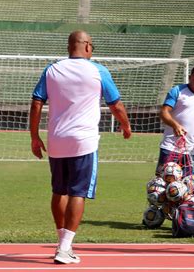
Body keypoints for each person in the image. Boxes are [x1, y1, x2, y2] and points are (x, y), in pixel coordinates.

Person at [29, 30, 131, 264]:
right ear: (86, 46)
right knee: (78, 192)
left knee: (59, 191)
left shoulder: (52, 69)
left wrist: (34, 137)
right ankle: (64, 248)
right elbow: (115, 105)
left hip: (56, 139)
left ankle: (62, 243)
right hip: (83, 141)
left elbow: (36, 103)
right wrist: (126, 126)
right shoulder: (98, 70)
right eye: (92, 45)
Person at [157, 64, 194, 175]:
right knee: (163, 183)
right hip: (170, 146)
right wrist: (175, 125)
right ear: (189, 77)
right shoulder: (177, 91)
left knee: (192, 186)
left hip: (191, 149)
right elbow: (164, 112)